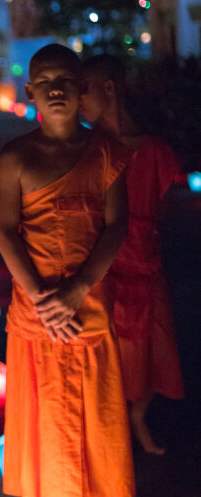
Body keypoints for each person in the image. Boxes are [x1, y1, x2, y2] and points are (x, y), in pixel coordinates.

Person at [0, 43, 134, 497]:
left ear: (82, 90)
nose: (55, 89)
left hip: (87, 294)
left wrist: (77, 290)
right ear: (30, 91)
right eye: (45, 82)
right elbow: (5, 232)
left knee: (94, 400)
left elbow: (116, 227)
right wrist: (38, 296)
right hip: (35, 301)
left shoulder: (106, 152)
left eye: (66, 81)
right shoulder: (17, 155)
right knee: (41, 401)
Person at [80, 53, 184, 454]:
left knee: (155, 350)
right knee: (112, 352)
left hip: (146, 259)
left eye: (85, 89)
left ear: (110, 87)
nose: (79, 99)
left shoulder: (154, 151)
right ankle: (113, 430)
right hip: (105, 262)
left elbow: (165, 211)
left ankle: (137, 418)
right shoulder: (89, 147)